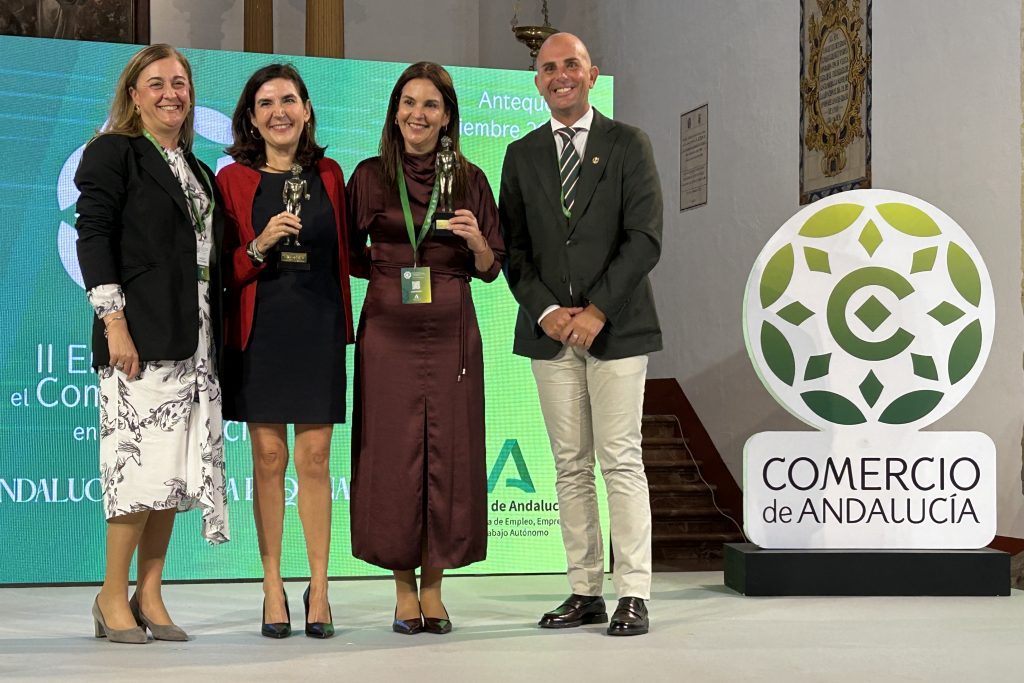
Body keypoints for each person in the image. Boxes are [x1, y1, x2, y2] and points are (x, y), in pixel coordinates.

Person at [499, 32, 663, 637]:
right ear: (537, 81)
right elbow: (514, 248)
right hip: (550, 335)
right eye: (548, 68)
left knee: (620, 460)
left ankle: (635, 594)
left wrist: (596, 310)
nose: (560, 75)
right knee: (570, 465)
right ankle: (584, 591)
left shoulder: (628, 144)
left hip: (617, 329)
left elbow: (644, 237)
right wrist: (547, 311)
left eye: (571, 65)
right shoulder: (520, 155)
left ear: (592, 74)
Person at [75, 43, 228, 645]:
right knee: (135, 471)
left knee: (173, 472)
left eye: (181, 83)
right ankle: (112, 592)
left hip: (196, 340)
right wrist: (114, 322)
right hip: (137, 336)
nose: (171, 93)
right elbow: (95, 236)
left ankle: (151, 592)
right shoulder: (114, 152)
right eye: (157, 83)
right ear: (134, 94)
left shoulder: (195, 167)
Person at [346, 61, 505, 635]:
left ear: (447, 117)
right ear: (394, 112)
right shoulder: (368, 175)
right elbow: (348, 252)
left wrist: (477, 242)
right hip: (387, 332)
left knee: (450, 452)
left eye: (431, 105)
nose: (418, 113)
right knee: (392, 456)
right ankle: (401, 589)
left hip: (451, 329)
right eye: (408, 103)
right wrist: (389, 274)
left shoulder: (470, 178)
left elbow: (491, 269)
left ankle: (435, 587)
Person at [217, 64, 353, 640]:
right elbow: (222, 270)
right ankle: (272, 584)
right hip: (261, 331)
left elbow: (351, 252)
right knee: (268, 462)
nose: (280, 111)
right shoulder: (232, 180)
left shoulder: (329, 172)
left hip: (317, 328)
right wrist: (261, 243)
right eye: (267, 102)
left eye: (290, 100)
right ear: (251, 116)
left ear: (306, 109)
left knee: (316, 462)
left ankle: (319, 586)